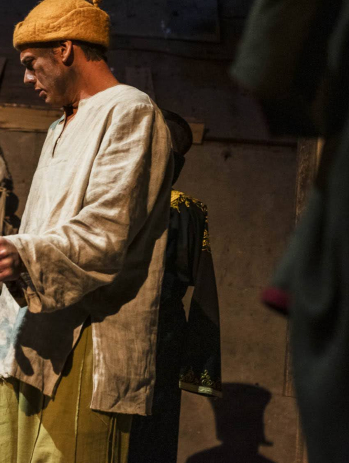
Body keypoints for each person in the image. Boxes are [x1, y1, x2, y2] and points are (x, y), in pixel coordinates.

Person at [0, 0, 173, 463]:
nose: (27, 78)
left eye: (31, 64)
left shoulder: (130, 110)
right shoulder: (60, 125)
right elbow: (40, 232)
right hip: (17, 338)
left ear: (66, 50)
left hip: (86, 339)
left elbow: (106, 234)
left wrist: (20, 255)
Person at [128, 110, 222, 463]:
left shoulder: (185, 210)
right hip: (108, 329)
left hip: (159, 335)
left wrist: (199, 362)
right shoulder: (111, 198)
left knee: (150, 431)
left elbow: (204, 288)